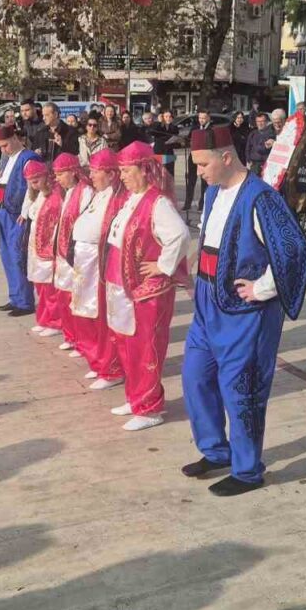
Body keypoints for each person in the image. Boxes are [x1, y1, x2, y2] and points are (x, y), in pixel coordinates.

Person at [182, 127, 306, 496]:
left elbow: (294, 251)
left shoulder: (261, 198)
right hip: (208, 302)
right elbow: (211, 237)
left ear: (227, 157)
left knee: (242, 389)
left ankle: (248, 470)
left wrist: (263, 288)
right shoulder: (212, 193)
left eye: (204, 164)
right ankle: (216, 450)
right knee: (195, 377)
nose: (199, 172)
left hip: (243, 310)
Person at [103, 141, 190, 431]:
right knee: (127, 343)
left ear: (143, 170)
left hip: (147, 290)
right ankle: (135, 396)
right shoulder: (132, 198)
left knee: (146, 347)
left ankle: (150, 407)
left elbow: (179, 236)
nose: (123, 176)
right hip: (123, 285)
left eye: (127, 171)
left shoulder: (157, 202)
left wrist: (162, 266)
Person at [70, 149, 128, 388]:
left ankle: (111, 367)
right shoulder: (99, 194)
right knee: (87, 312)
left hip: (100, 261)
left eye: (96, 171)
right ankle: (97, 360)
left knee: (103, 314)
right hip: (86, 260)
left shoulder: (119, 198)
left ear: (112, 174)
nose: (91, 176)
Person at [0, 125, 39, 316]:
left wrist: (26, 211)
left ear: (14, 139)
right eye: (0, 147)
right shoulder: (7, 158)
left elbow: (33, 188)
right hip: (2, 211)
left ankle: (25, 301)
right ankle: (15, 297)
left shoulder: (29, 158)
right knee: (7, 256)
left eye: (4, 146)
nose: (3, 150)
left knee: (18, 255)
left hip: (16, 214)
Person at [51, 152, 91, 357]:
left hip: (74, 254)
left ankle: (80, 339)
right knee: (63, 295)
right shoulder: (69, 192)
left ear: (72, 172)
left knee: (75, 298)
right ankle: (70, 335)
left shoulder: (85, 192)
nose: (57, 179)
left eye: (60, 174)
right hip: (62, 252)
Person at [22, 160, 64, 337]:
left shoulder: (55, 195)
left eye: (37, 181)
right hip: (36, 246)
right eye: (31, 182)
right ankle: (44, 318)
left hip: (48, 248)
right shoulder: (39, 194)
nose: (34, 185)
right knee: (39, 285)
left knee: (49, 288)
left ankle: (55, 322)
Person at [183, 110, 214, 212]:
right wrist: (185, 141)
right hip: (193, 157)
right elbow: (188, 139)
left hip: (205, 158)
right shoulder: (195, 128)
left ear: (208, 118)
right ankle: (188, 203)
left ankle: (202, 204)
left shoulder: (212, 129)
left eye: (204, 118)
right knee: (191, 181)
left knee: (204, 182)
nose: (201, 120)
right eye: (200, 118)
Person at [245, 111, 274, 176]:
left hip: (266, 165)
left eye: (262, 121)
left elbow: (264, 149)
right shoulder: (252, 133)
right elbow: (247, 148)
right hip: (253, 165)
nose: (260, 123)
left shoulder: (271, 134)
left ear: (266, 122)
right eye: (258, 121)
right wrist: (248, 160)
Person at [152, 109, 179, 176]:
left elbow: (175, 138)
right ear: (162, 117)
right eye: (166, 116)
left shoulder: (174, 127)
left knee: (169, 172)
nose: (168, 118)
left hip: (169, 152)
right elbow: (153, 131)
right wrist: (160, 122)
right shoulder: (158, 126)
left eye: (170, 117)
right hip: (159, 151)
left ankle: (169, 186)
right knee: (159, 172)